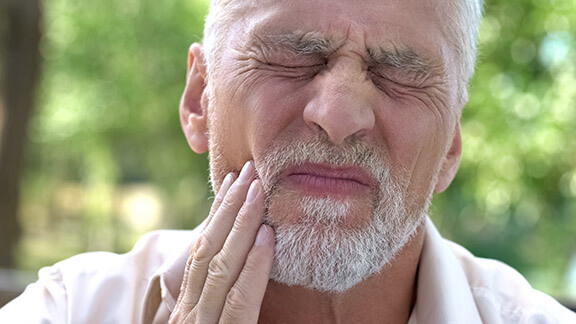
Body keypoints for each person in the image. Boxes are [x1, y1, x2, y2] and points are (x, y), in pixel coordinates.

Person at [1, 0, 575, 322]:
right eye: (292, 59)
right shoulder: (68, 310)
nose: (340, 114)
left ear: (451, 142)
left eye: (399, 73)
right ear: (201, 99)